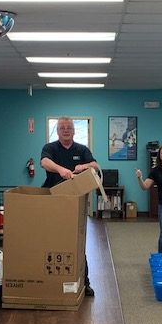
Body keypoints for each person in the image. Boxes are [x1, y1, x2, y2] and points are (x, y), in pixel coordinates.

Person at [41, 116, 100, 297]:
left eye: (69, 128)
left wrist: (85, 165)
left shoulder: (81, 149)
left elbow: (96, 166)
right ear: (57, 131)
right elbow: (44, 162)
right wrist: (60, 169)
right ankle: (49, 281)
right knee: (50, 240)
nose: (66, 130)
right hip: (53, 201)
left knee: (77, 242)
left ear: (74, 131)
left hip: (75, 203)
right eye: (62, 128)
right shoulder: (50, 148)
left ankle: (85, 282)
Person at [135, 144, 162, 253]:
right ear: (159, 156)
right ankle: (160, 257)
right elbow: (145, 187)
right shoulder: (156, 171)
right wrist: (139, 178)